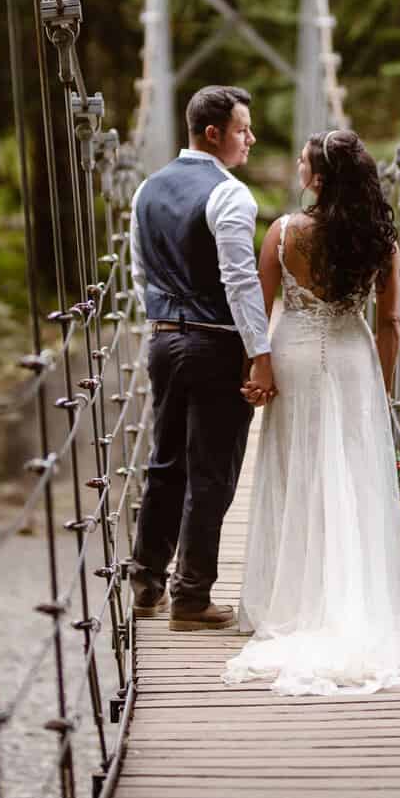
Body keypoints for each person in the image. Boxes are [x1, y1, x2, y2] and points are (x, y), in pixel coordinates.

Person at [223, 128, 400, 696]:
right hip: (353, 357)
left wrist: (255, 369)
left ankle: (291, 598)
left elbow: (258, 311)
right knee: (353, 473)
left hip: (293, 358)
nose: (297, 164)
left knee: (295, 468)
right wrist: (381, 394)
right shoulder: (380, 241)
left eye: (305, 160)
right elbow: (389, 323)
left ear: (318, 177)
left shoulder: (285, 232)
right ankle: (350, 598)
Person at [129, 84, 275, 632]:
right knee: (212, 470)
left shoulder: (147, 188)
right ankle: (192, 597)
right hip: (215, 343)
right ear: (214, 134)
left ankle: (147, 585)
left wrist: (165, 314)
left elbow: (142, 272)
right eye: (242, 130)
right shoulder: (230, 194)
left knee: (166, 461)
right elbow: (240, 281)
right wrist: (260, 353)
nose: (250, 139)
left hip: (163, 340)